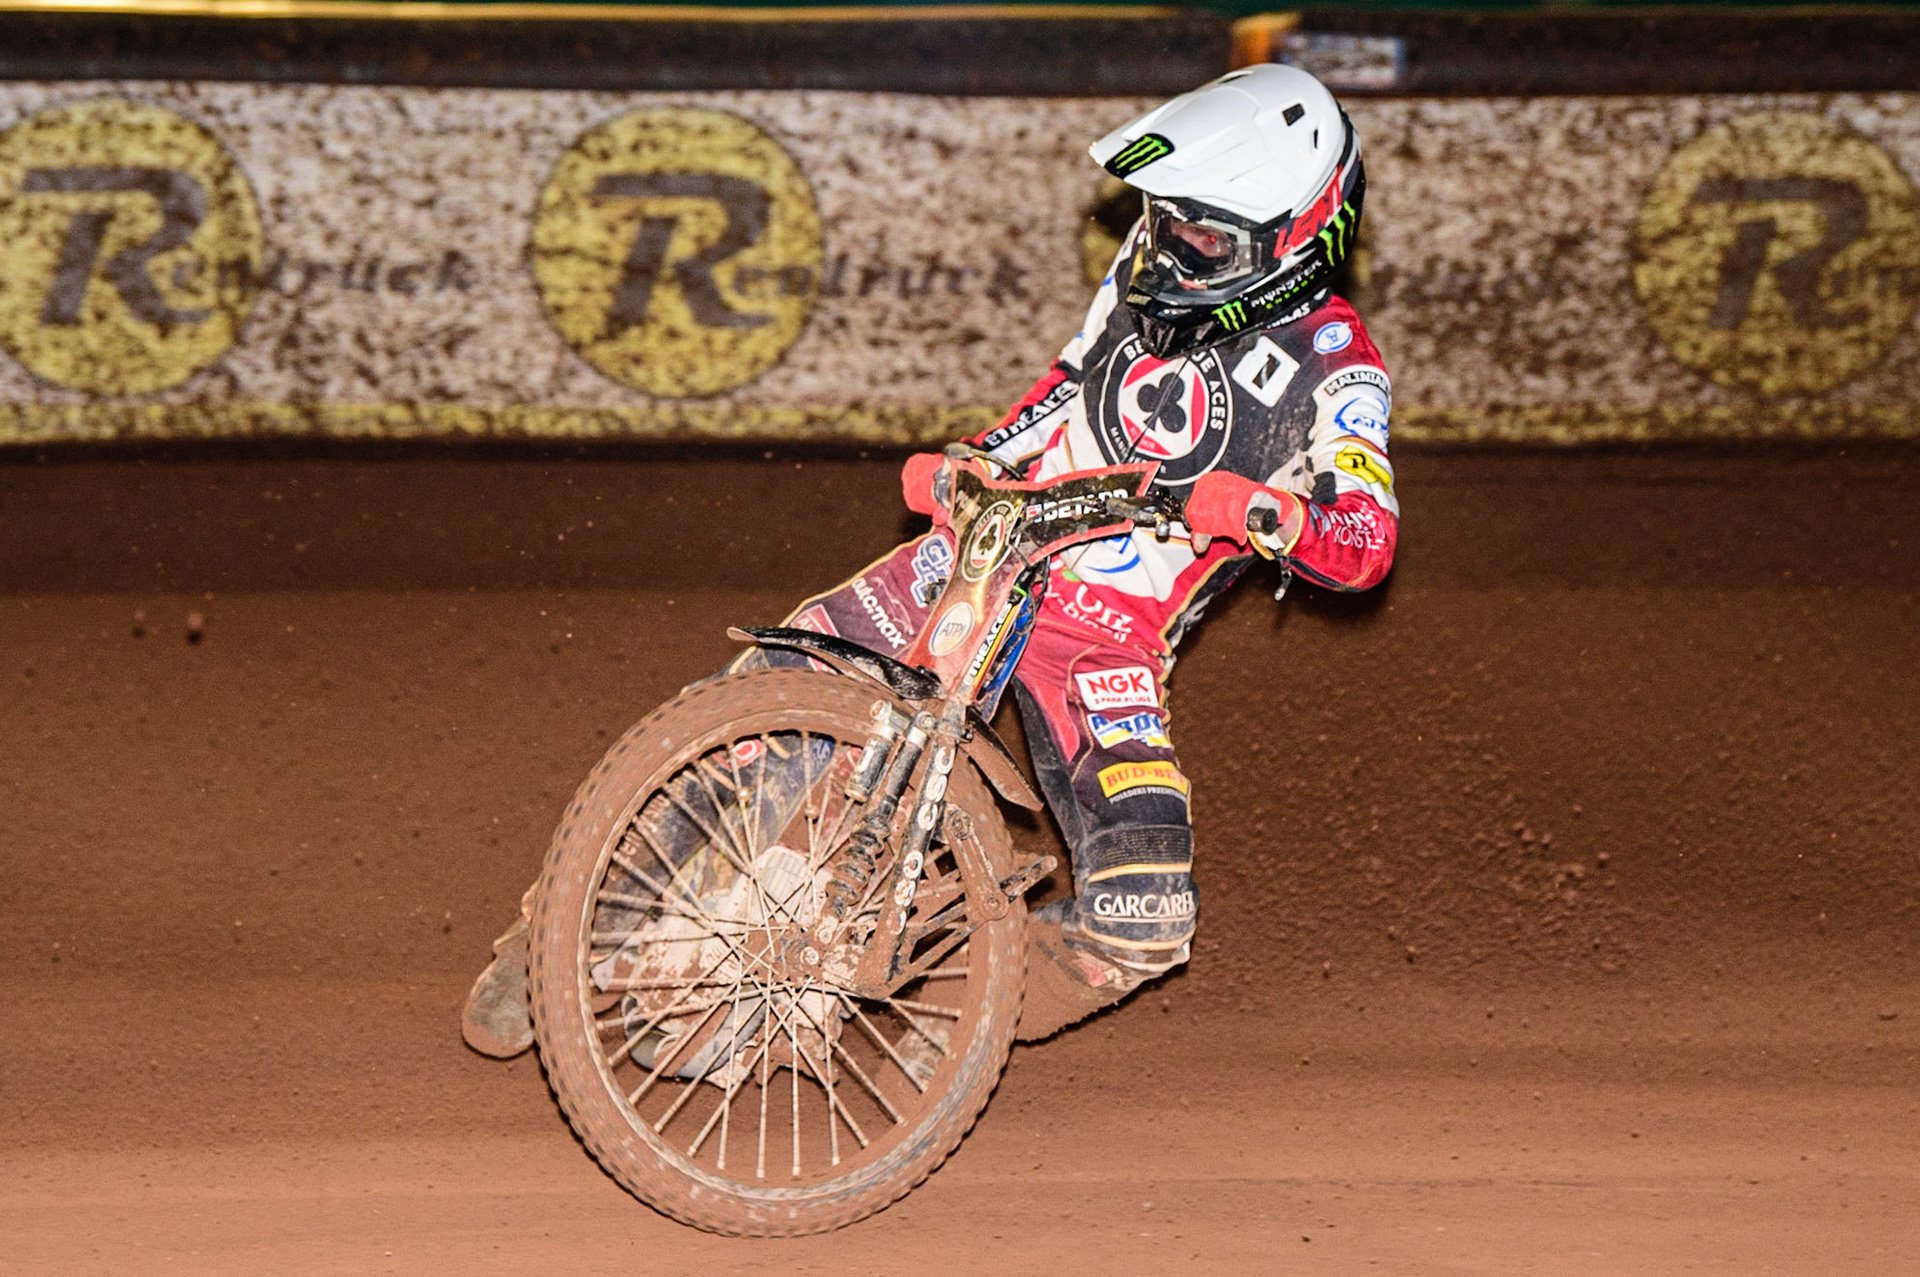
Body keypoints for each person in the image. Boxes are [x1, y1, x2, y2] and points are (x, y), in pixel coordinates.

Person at [462, 62, 1398, 1056]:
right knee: (768, 698)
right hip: (991, 546)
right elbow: (1068, 380)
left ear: (1299, 238)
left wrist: (1267, 513)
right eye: (1166, 219)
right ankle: (557, 929)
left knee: (1147, 918)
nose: (1171, 246)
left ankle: (954, 1028)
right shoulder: (1147, 264)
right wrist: (983, 458)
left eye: (1203, 233)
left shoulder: (1339, 368)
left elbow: (1367, 543)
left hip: (1104, 635)